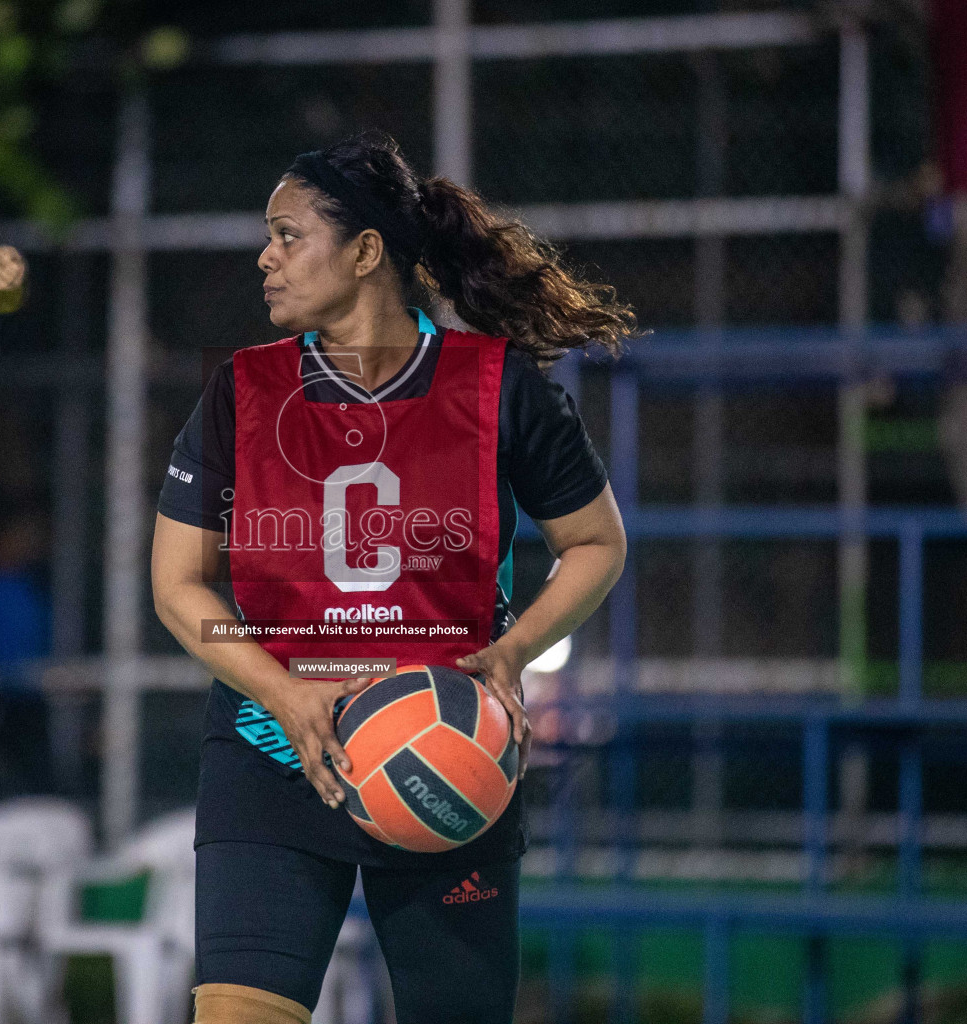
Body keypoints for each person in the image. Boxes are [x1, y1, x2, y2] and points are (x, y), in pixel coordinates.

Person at [151, 133, 632, 1024]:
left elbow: (598, 542)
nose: (266, 256)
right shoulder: (241, 392)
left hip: (445, 760)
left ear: (366, 251)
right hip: (273, 755)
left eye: (288, 234)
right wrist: (279, 689)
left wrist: (513, 650)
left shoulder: (497, 390)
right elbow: (181, 587)